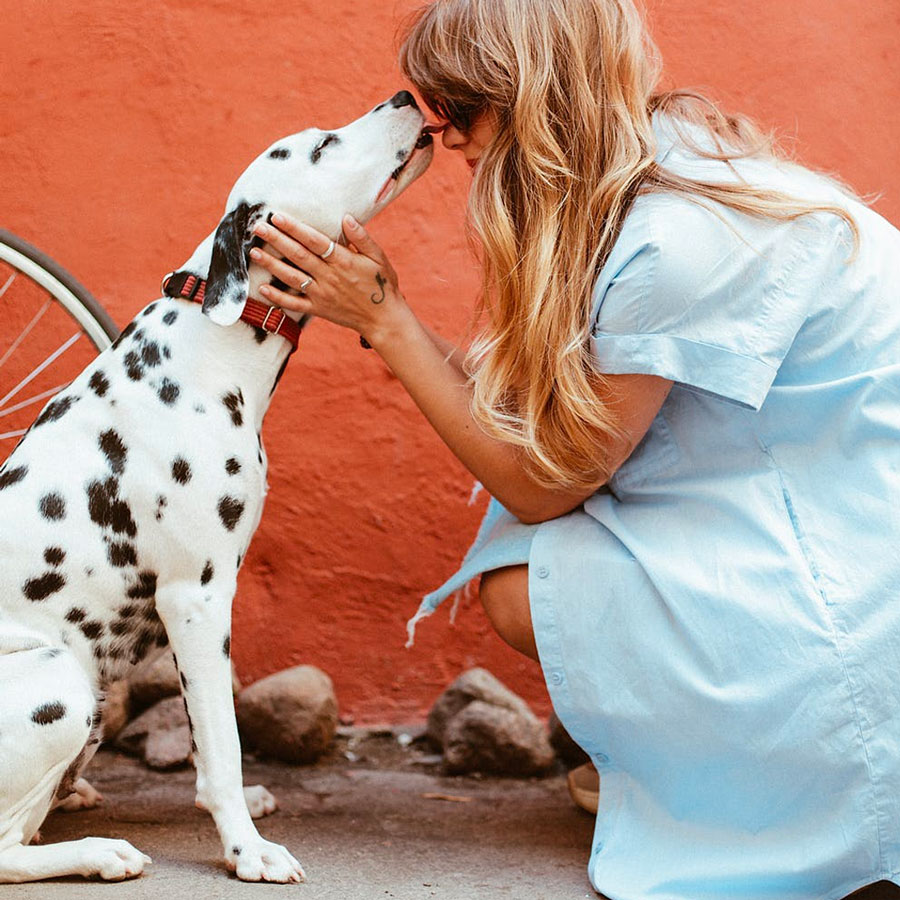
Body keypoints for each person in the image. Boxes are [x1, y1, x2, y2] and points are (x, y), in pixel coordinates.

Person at [248, 0, 900, 897]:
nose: (442, 135)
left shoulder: (675, 242)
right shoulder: (659, 160)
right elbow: (537, 418)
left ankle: (752, 768)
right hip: (802, 494)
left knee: (528, 576)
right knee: (531, 534)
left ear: (526, 102)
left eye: (459, 110)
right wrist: (382, 315)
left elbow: (544, 480)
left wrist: (387, 322)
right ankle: (678, 756)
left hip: (854, 567)